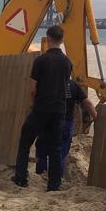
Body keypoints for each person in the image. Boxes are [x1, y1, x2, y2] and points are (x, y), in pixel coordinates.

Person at [12, 24, 72, 192]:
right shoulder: (67, 62)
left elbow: (33, 87)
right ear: (62, 40)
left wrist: (33, 102)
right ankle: (53, 184)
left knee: (25, 141)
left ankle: (21, 178)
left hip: (42, 108)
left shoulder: (41, 60)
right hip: (59, 109)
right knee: (55, 147)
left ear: (48, 38)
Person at [35, 72, 98, 177]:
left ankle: (41, 173)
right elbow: (88, 103)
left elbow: (35, 94)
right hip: (66, 123)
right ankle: (57, 176)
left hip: (49, 122)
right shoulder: (74, 86)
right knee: (62, 151)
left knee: (42, 147)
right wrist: (96, 118)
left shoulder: (49, 83)